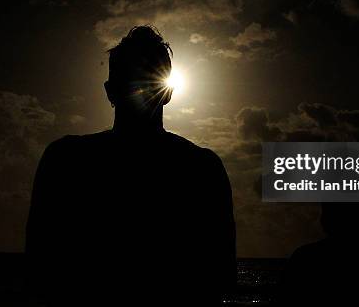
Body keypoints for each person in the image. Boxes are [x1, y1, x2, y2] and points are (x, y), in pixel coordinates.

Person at [25, 25, 236, 305]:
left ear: (110, 91)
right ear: (169, 93)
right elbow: (219, 280)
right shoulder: (203, 169)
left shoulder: (65, 161)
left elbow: (39, 273)